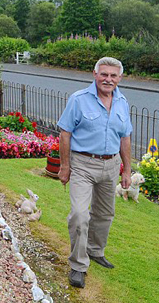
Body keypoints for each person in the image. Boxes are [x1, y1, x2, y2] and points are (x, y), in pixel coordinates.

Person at [57, 57, 132, 289]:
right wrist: (65, 166)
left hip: (111, 165)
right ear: (95, 74)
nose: (108, 79)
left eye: (113, 76)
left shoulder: (122, 102)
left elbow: (125, 136)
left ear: (119, 78)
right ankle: (78, 265)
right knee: (80, 215)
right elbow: (65, 134)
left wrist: (127, 170)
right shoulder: (78, 100)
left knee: (104, 214)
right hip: (82, 165)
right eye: (104, 74)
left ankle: (95, 251)